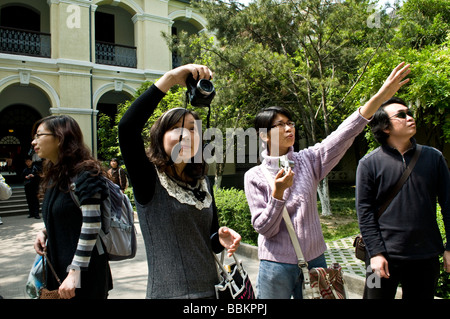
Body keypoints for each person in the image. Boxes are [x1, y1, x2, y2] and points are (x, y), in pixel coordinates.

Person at [244, 62, 411, 299]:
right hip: (275, 265)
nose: (289, 128)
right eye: (280, 125)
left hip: (315, 260)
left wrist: (381, 95)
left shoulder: (309, 160)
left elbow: (346, 132)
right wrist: (277, 194)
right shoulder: (255, 176)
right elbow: (264, 229)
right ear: (263, 134)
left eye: (290, 123)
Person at [118, 64, 241, 299]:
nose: (186, 134)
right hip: (169, 294)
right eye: (176, 129)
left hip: (212, 293)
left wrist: (221, 237)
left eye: (193, 129)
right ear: (159, 137)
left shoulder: (203, 182)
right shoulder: (150, 179)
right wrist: (171, 78)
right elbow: (127, 128)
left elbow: (209, 241)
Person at [356, 96, 450, 299]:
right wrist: (376, 254)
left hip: (425, 257)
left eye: (409, 113)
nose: (409, 117)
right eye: (401, 115)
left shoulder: (434, 158)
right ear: (385, 127)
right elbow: (365, 213)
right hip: (380, 258)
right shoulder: (368, 163)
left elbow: (448, 204)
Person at [32, 115, 112, 299]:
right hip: (59, 269)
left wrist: (75, 272)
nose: (34, 141)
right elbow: (67, 217)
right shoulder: (55, 175)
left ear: (59, 138)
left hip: (83, 274)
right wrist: (45, 232)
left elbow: (91, 225)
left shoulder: (86, 174)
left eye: (39, 135)